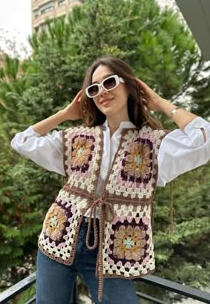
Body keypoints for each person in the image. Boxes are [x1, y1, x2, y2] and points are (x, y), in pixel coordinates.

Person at [11, 57, 210, 304]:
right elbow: (22, 141)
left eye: (109, 82)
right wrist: (64, 114)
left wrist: (160, 103)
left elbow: (205, 138)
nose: (102, 92)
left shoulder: (154, 144)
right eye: (94, 88)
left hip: (114, 247)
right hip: (58, 235)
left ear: (129, 85)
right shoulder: (77, 138)